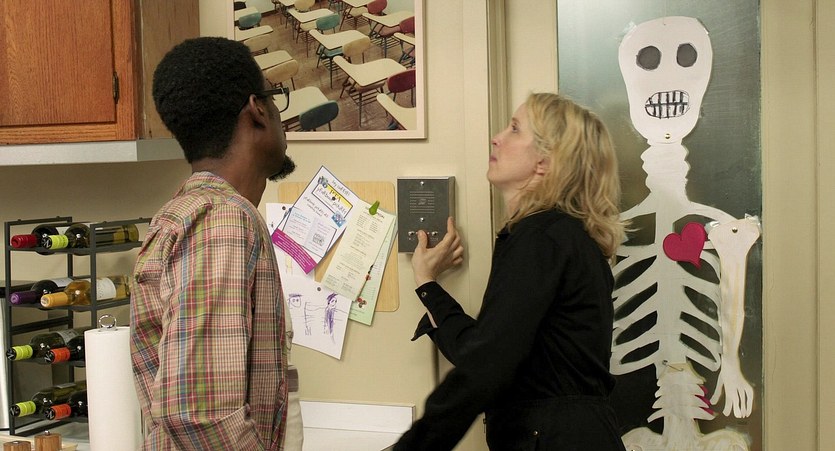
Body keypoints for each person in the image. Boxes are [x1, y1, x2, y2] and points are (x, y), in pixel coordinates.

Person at [394, 93, 628, 450]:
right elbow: (491, 350)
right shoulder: (558, 236)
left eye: (515, 129)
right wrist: (428, 284)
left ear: (545, 161)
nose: (497, 138)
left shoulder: (542, 238)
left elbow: (486, 362)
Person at [130, 37, 299, 450]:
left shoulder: (190, 213)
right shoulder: (221, 220)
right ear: (257, 110)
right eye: (275, 98)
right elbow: (199, 413)